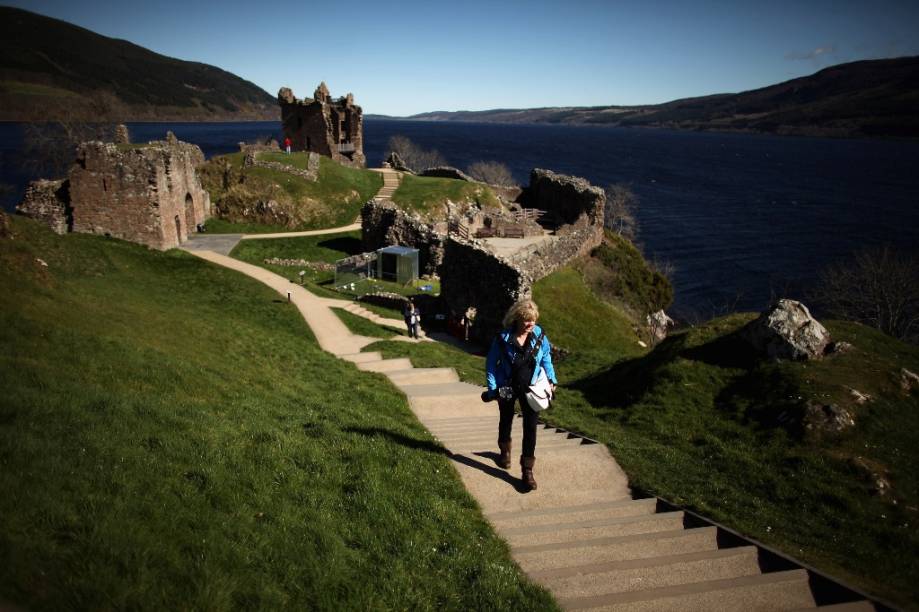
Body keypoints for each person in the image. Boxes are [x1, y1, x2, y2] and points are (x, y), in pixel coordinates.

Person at [485, 299, 557, 491]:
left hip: (532, 388)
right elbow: (491, 365)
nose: (530, 325)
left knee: (531, 428)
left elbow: (547, 358)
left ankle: (527, 471)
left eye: (533, 320)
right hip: (507, 387)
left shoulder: (539, 335)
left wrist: (551, 379)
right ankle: (504, 452)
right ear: (517, 319)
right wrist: (493, 389)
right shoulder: (502, 339)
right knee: (506, 419)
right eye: (526, 321)